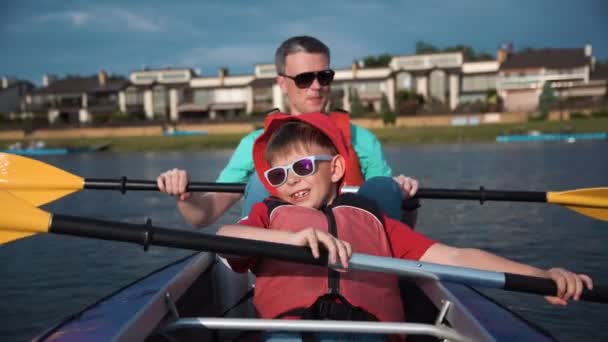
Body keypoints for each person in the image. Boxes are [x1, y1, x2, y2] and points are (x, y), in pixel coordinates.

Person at [216, 112, 593, 341]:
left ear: (334, 169)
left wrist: (540, 275)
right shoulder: (269, 216)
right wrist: (288, 237)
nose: (291, 182)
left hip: (371, 335)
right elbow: (226, 238)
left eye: (301, 168)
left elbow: (456, 256)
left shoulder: (374, 221)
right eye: (278, 174)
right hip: (288, 334)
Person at [157, 35, 419, 228]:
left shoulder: (363, 140)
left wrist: (403, 196)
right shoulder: (254, 144)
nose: (316, 86)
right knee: (261, 182)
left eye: (324, 76)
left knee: (383, 186)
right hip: (281, 257)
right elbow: (202, 216)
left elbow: (392, 216)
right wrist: (185, 196)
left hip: (354, 256)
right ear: (282, 83)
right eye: (305, 79)